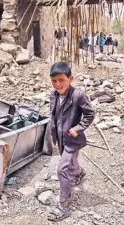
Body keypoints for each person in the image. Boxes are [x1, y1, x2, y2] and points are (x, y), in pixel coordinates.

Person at [47, 62, 95, 222]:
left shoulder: (78, 95)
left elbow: (89, 114)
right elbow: (54, 115)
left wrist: (78, 128)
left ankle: (63, 205)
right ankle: (79, 172)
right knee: (70, 162)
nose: (57, 84)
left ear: (70, 79)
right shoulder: (53, 95)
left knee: (62, 170)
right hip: (60, 138)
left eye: (61, 80)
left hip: (72, 139)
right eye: (54, 81)